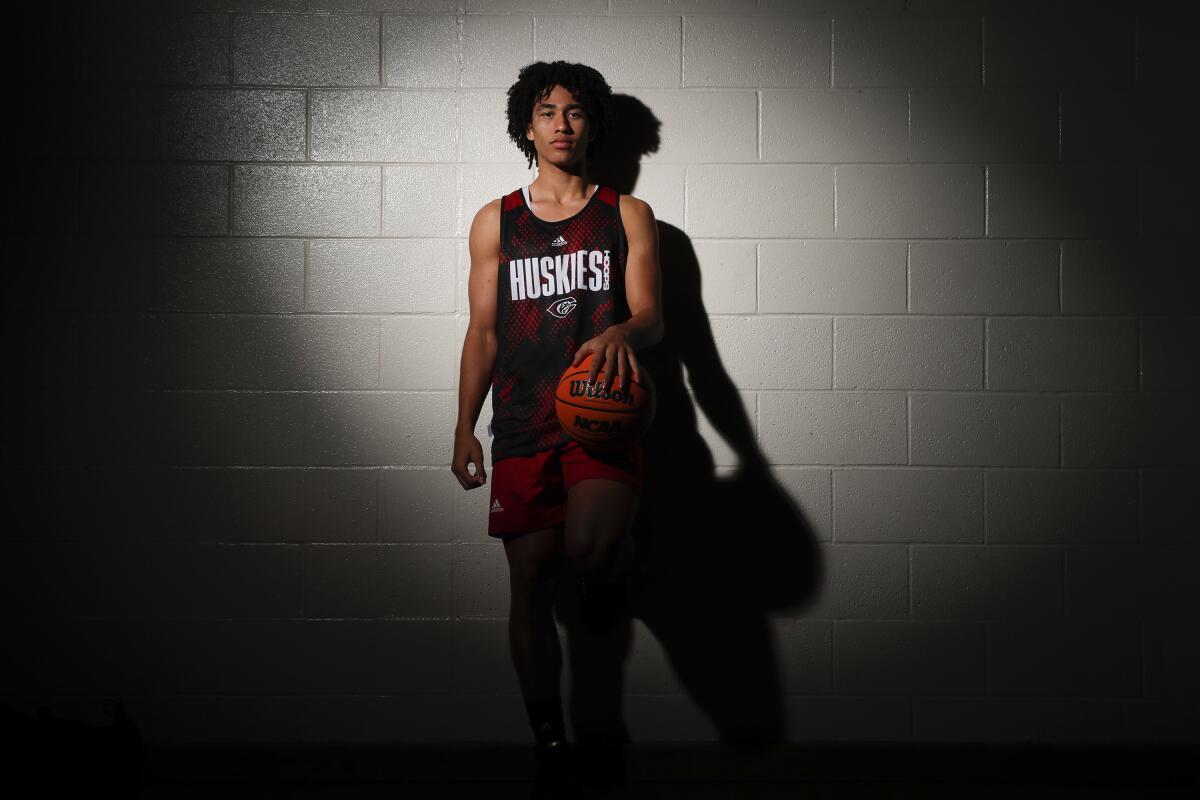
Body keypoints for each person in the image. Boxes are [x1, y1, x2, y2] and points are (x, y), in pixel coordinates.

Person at [451, 60, 663, 798]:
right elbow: (481, 333)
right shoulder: (496, 219)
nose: (562, 124)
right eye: (548, 111)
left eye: (576, 112)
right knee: (531, 582)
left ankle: (609, 571)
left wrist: (622, 337)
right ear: (527, 125)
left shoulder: (625, 214)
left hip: (601, 413)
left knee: (591, 545)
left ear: (593, 124)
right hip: (518, 419)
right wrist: (463, 427)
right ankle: (549, 738)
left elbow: (652, 316)